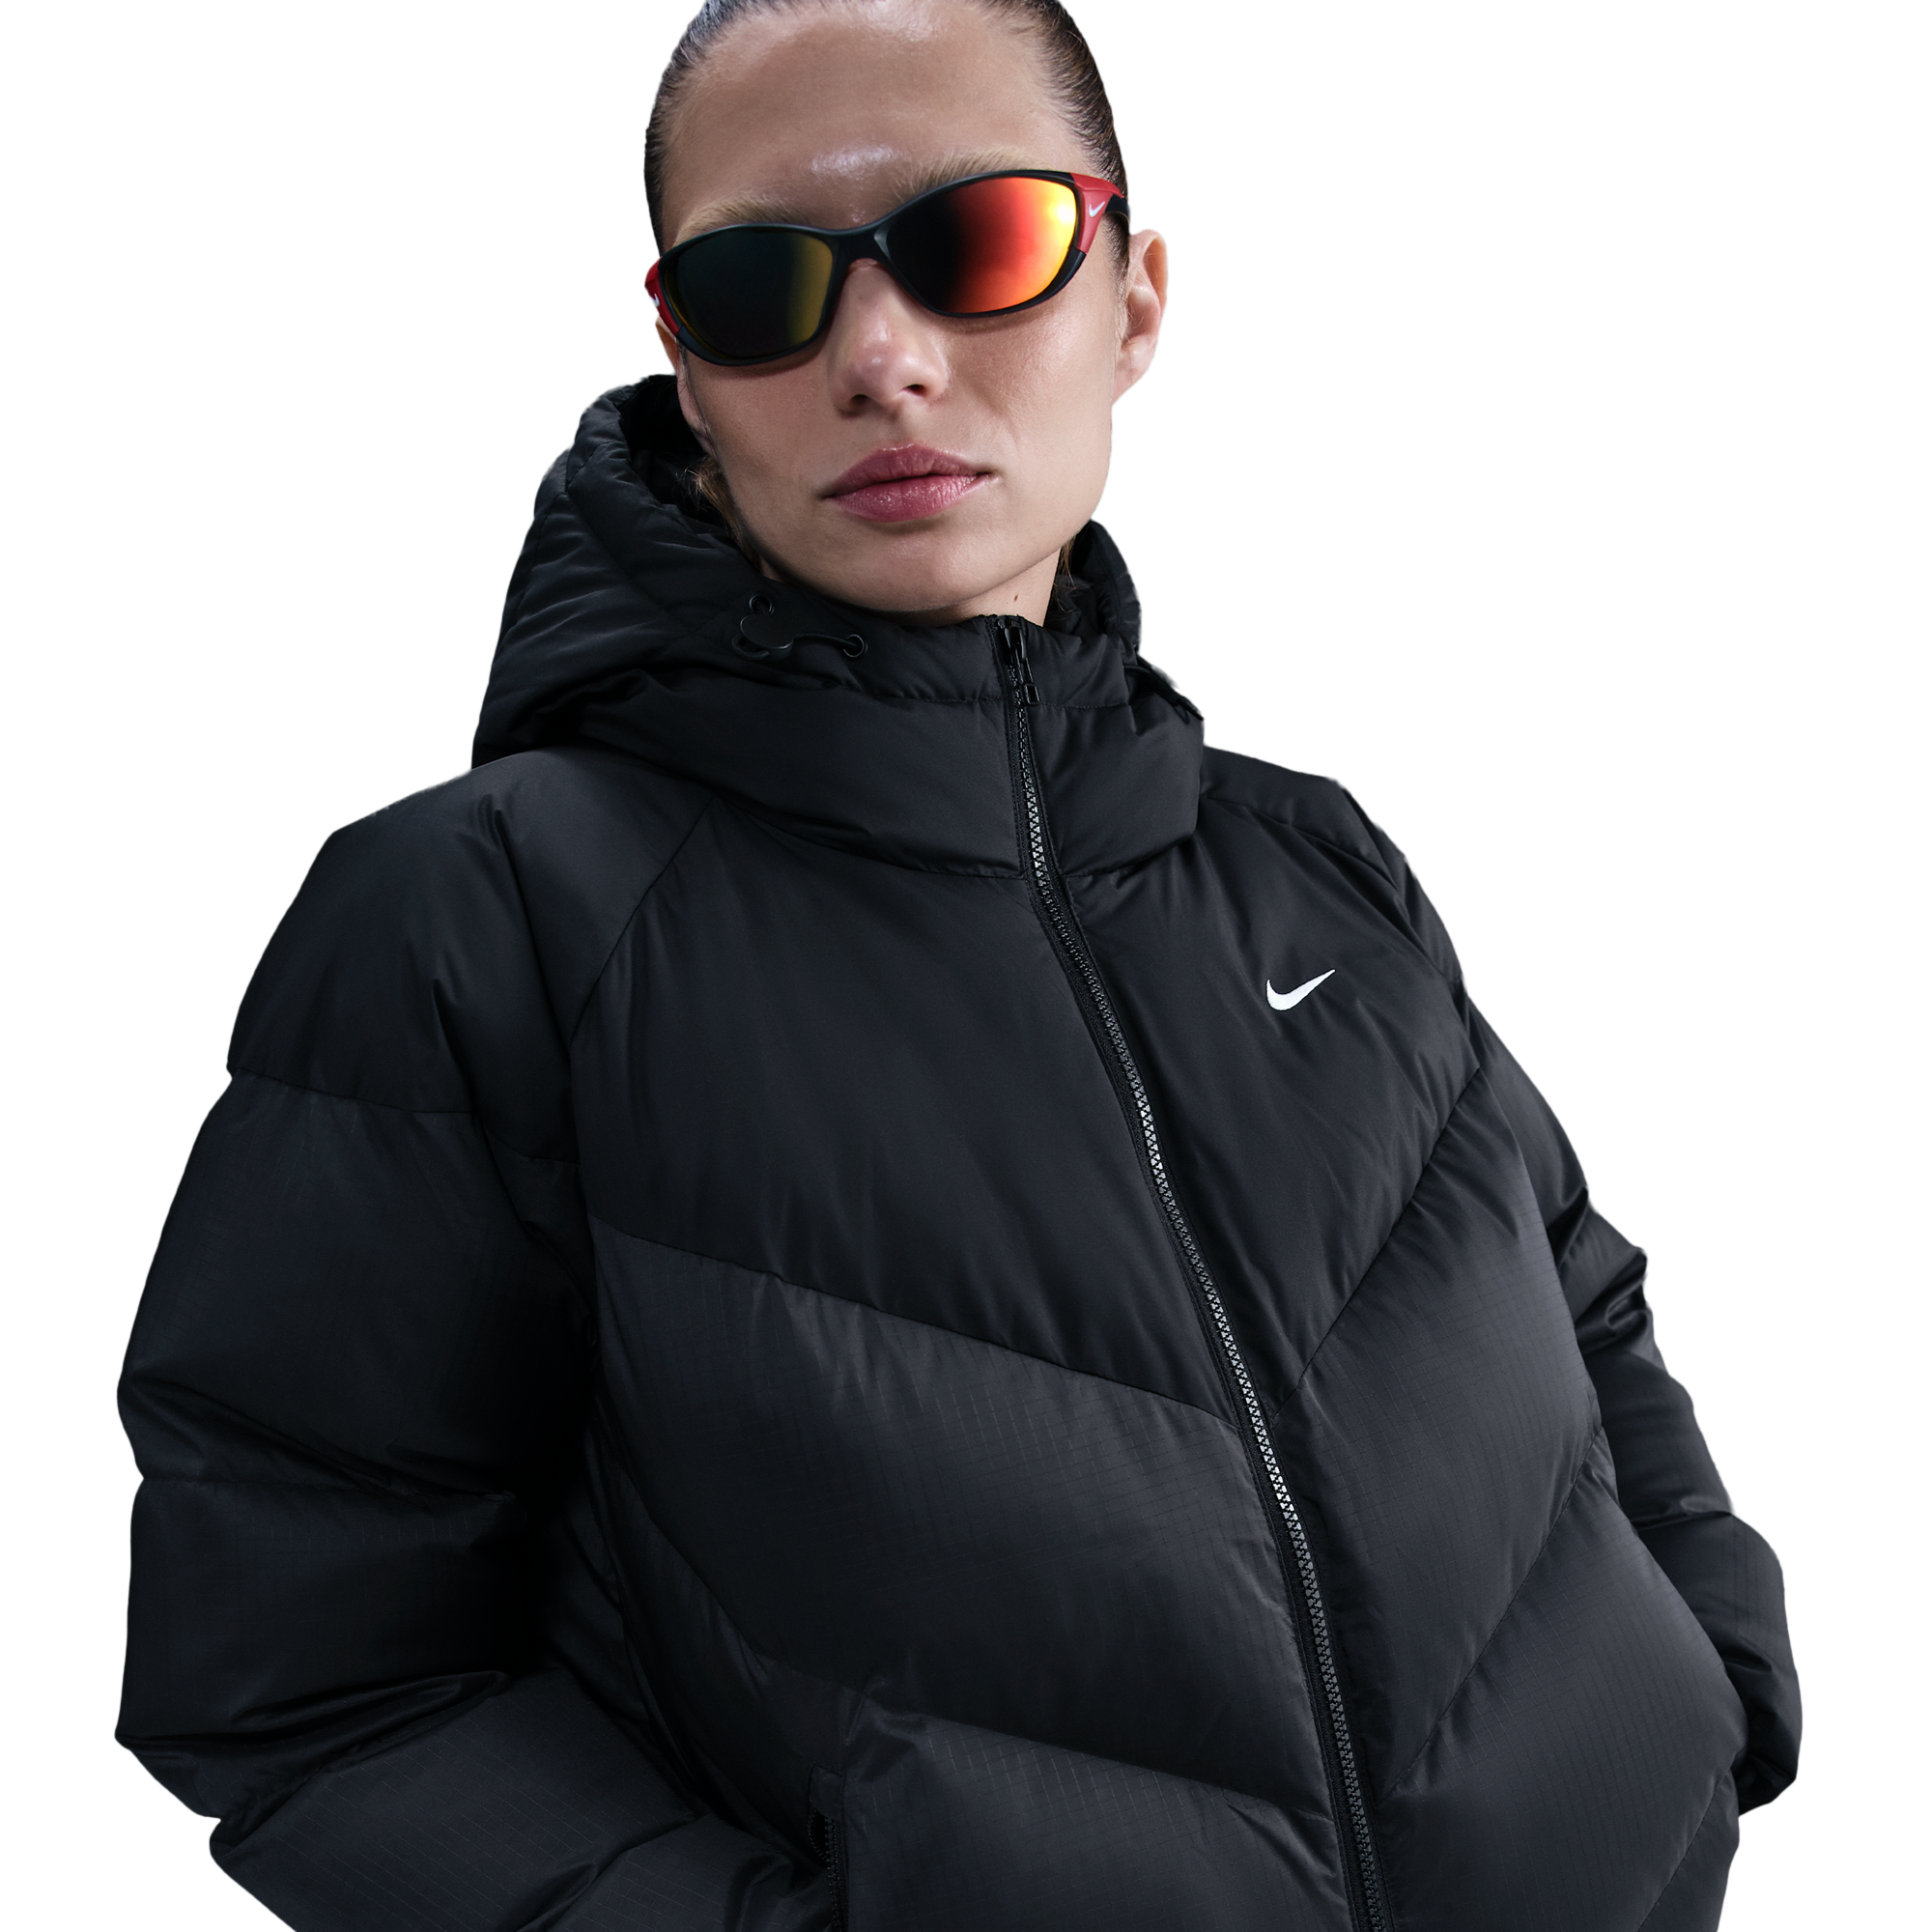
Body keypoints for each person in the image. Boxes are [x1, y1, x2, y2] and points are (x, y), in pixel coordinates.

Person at [113, 3, 1802, 1927]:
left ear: (1135, 304)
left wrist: (1712, 1698)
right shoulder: (481, 910)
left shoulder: (1307, 856)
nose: (884, 358)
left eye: (978, 242)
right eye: (757, 288)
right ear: (685, 370)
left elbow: (1582, 1305)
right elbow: (308, 1683)